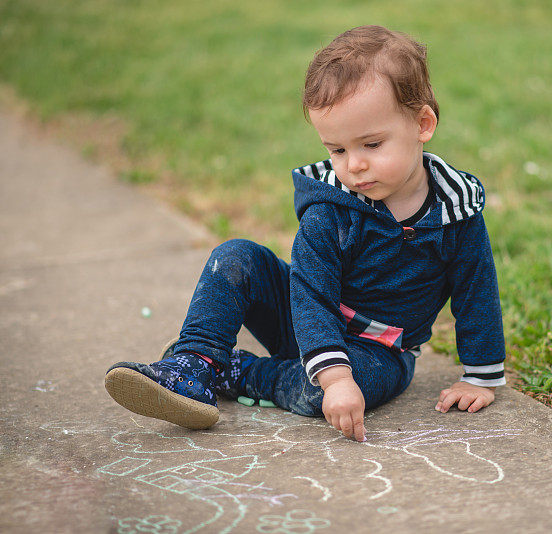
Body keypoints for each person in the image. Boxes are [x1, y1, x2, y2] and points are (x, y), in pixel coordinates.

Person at [104, 25, 506, 442]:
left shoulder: (455, 214)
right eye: (338, 150)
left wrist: (480, 377)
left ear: (422, 123)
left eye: (371, 144)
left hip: (380, 350)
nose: (354, 166)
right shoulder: (331, 209)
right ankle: (194, 362)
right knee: (237, 256)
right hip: (304, 316)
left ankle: (240, 371)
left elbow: (476, 291)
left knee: (335, 393)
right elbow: (312, 293)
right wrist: (335, 377)